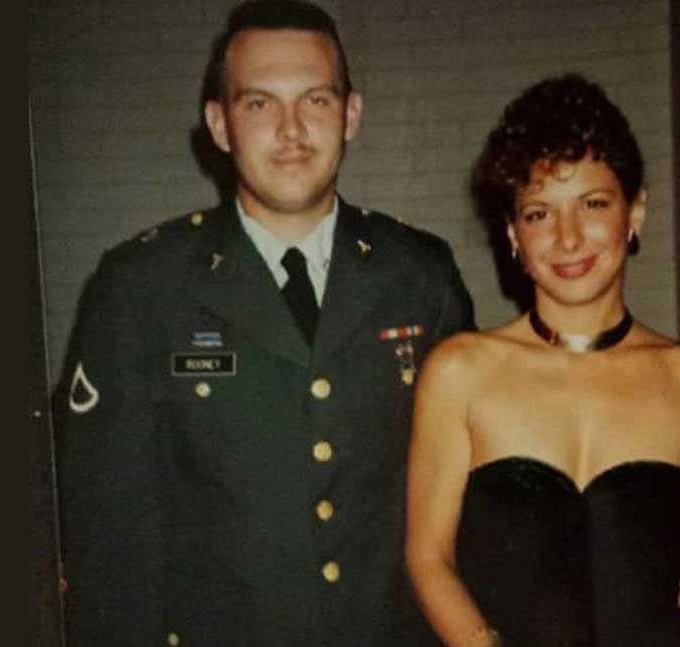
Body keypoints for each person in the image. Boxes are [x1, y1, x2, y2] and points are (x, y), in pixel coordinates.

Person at [54, 2, 475, 646]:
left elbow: (480, 499)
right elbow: (110, 544)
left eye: (315, 100)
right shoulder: (142, 288)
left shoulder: (419, 276)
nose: (291, 130)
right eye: (259, 104)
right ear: (220, 125)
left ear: (351, 114)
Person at [405, 74, 680, 647]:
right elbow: (428, 558)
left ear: (635, 212)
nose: (569, 237)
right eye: (539, 214)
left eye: (593, 204)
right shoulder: (460, 372)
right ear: (512, 234)